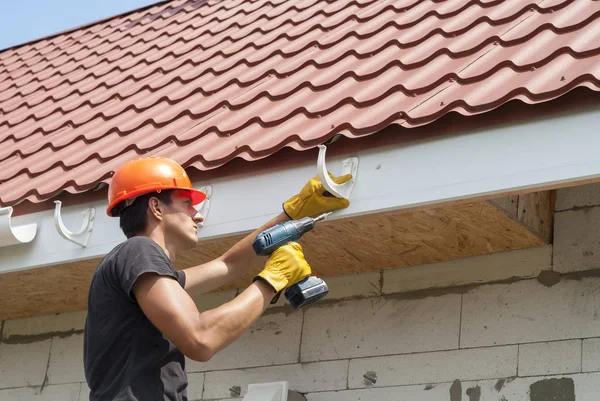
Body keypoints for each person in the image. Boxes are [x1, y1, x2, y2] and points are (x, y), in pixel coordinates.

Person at [83, 156, 351, 401]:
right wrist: (272, 280)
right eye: (187, 204)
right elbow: (201, 339)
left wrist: (294, 214)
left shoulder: (144, 273)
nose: (197, 214)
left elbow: (228, 265)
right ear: (156, 207)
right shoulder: (138, 251)